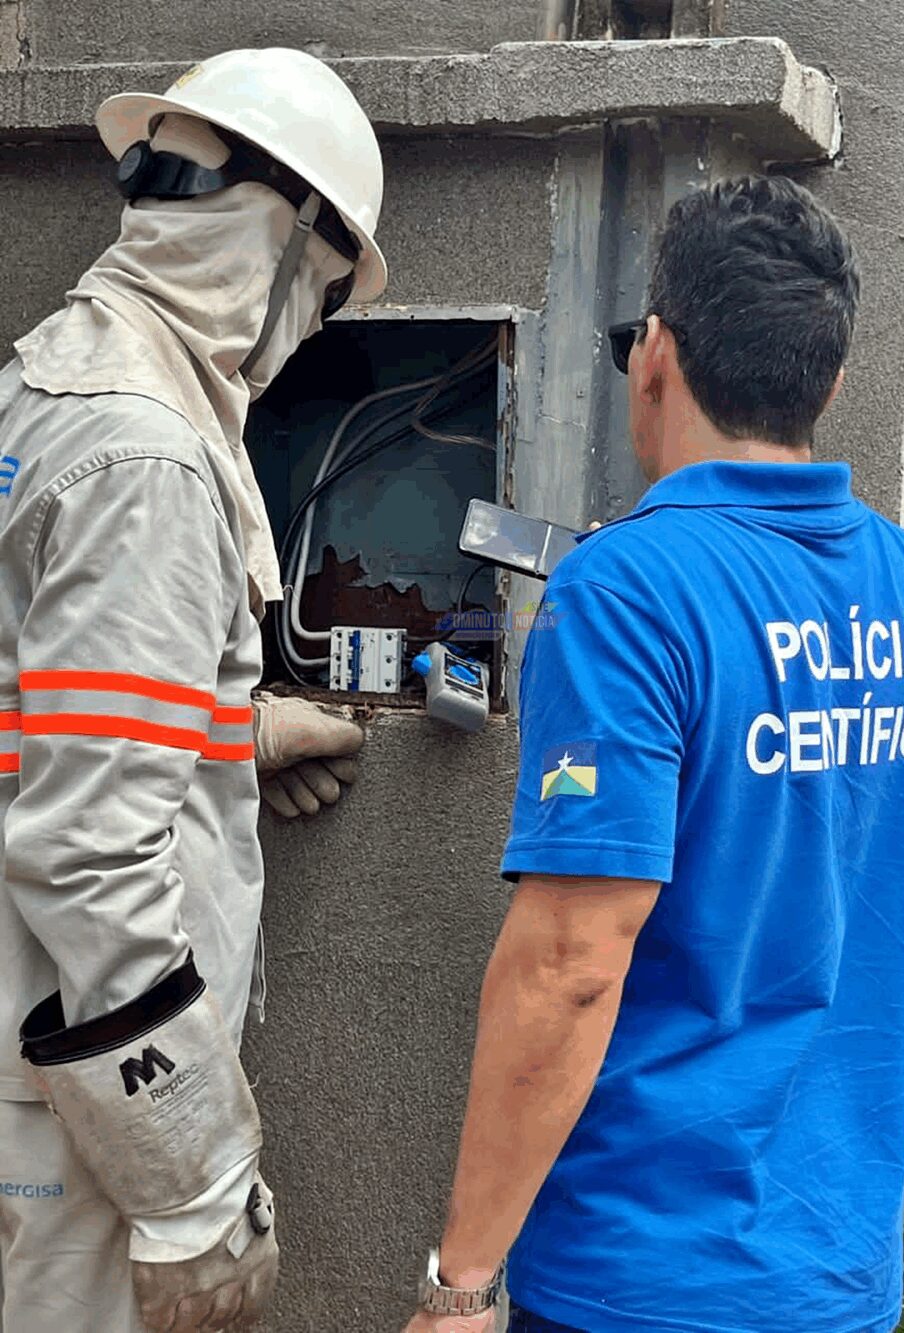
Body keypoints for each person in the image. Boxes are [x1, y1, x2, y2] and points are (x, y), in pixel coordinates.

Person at [402, 177, 904, 1333]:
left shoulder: (629, 586)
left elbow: (571, 962)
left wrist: (460, 1284)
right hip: (831, 1263)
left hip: (644, 1276)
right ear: (832, 376)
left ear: (654, 351)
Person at [0, 47, 386, 1332]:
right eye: (325, 295)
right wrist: (196, 1187)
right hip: (73, 1120)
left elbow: (46, 710)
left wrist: (227, 734)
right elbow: (88, 852)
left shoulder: (43, 383)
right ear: (288, 244)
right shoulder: (147, 459)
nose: (304, 331)